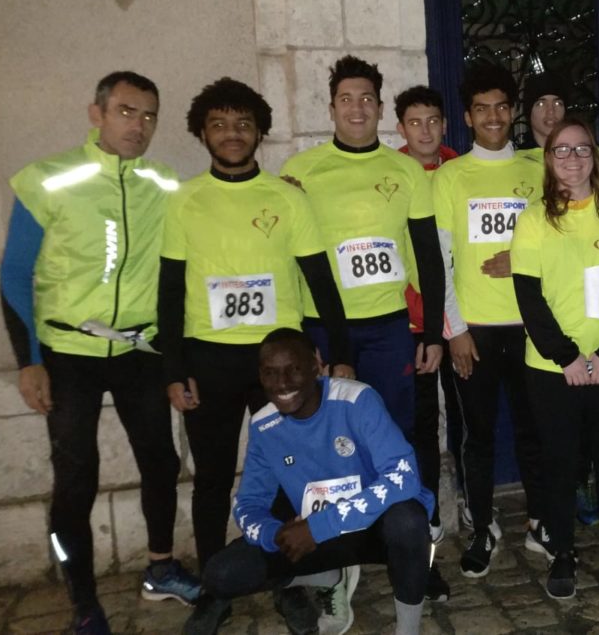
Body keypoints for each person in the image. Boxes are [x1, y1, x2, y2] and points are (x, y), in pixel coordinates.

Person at [0, 71, 199, 633]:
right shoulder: (48, 178)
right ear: (98, 114)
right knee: (76, 477)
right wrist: (28, 360)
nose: (139, 126)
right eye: (127, 112)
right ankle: (82, 599)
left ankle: (161, 567)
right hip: (67, 350)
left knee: (160, 460)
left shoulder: (165, 183)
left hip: (140, 348)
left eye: (150, 115)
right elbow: (15, 275)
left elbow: (205, 226)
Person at [157, 79, 353, 630]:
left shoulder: (288, 198)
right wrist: (174, 369)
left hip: (281, 368)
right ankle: (214, 588)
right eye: (219, 123)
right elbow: (169, 291)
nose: (232, 134)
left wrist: (340, 354)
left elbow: (321, 279)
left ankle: (284, 579)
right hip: (210, 361)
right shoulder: (184, 201)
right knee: (214, 479)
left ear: (260, 131)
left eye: (243, 123)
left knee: (289, 477)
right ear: (202, 132)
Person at [183, 328, 433, 635]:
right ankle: (329, 578)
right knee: (221, 574)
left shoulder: (356, 399)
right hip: (317, 538)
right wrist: (276, 535)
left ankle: (409, 629)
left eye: (294, 370)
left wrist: (317, 527)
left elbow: (403, 476)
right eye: (270, 373)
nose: (282, 384)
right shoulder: (264, 425)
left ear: (316, 365)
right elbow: (248, 505)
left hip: (373, 529)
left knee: (408, 522)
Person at [511, 117, 599, 601]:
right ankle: (563, 554)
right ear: (548, 160)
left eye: (581, 149)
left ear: (596, 155)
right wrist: (568, 357)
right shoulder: (532, 220)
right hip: (552, 370)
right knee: (560, 466)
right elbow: (529, 299)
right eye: (561, 151)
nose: (572, 158)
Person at [280, 56, 446, 443]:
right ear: (332, 108)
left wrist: (434, 334)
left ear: (381, 109)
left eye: (367, 99)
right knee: (327, 435)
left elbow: (427, 256)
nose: (358, 108)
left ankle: (393, 505)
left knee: (393, 431)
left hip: (389, 326)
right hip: (321, 324)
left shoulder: (405, 170)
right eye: (347, 99)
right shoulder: (299, 170)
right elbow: (287, 260)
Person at [431, 61, 550, 577]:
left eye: (502, 106)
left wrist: (524, 263)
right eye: (483, 108)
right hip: (474, 331)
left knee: (536, 431)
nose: (494, 116)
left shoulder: (535, 169)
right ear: (468, 116)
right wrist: (454, 329)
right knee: (477, 437)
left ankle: (542, 519)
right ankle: (483, 525)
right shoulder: (451, 177)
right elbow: (441, 258)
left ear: (512, 111)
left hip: (531, 328)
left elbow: (559, 246)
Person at [393, 83, 462, 600]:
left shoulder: (459, 170)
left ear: (444, 124)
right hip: (405, 327)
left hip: (458, 323)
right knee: (413, 435)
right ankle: (412, 542)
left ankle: (447, 527)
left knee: (456, 430)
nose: (425, 130)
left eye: (433, 120)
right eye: (414, 121)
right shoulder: (387, 173)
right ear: (400, 128)